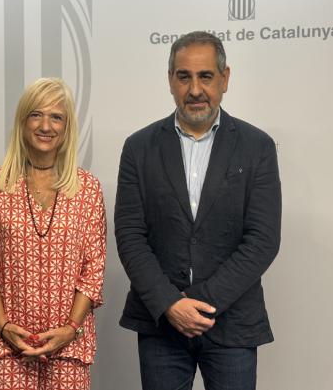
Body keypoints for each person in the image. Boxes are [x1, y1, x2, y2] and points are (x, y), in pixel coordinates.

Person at [114, 31, 281, 390]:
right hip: (161, 323)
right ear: (170, 80)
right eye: (183, 76)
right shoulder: (138, 148)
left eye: (205, 76)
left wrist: (197, 303)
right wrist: (170, 304)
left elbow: (263, 240)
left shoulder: (257, 148)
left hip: (233, 323)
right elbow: (130, 235)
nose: (194, 89)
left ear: (224, 79)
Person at [0, 77, 107, 390]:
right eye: (36, 115)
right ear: (22, 122)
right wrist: (4, 327)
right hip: (8, 347)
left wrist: (70, 328)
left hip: (69, 346)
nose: (45, 126)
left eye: (56, 117)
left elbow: (93, 271)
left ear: (67, 127)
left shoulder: (87, 189)